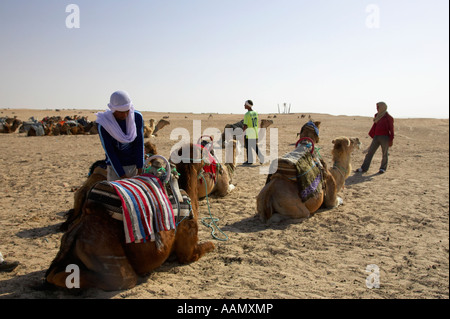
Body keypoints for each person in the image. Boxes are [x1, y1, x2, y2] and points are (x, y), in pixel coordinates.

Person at [96, 90, 145, 181]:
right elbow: (110, 151)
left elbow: (139, 144)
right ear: (113, 109)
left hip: (134, 167)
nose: (125, 115)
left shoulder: (137, 118)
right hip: (115, 169)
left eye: (127, 111)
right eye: (120, 112)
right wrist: (122, 175)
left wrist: (140, 168)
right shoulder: (104, 124)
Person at [356, 102, 394, 174]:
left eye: (378, 107)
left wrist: (391, 139)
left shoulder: (388, 117)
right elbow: (375, 126)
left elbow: (391, 129)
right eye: (376, 107)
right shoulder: (377, 116)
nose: (377, 108)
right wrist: (373, 134)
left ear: (382, 107)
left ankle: (382, 168)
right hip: (376, 137)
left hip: (385, 137)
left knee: (384, 153)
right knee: (370, 153)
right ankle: (364, 168)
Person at [242, 100, 264, 165]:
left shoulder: (247, 114)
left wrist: (243, 133)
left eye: (245, 104)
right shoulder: (255, 113)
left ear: (248, 105)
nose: (244, 105)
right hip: (255, 131)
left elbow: (245, 125)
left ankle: (250, 160)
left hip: (249, 132)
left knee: (248, 147)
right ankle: (260, 157)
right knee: (254, 145)